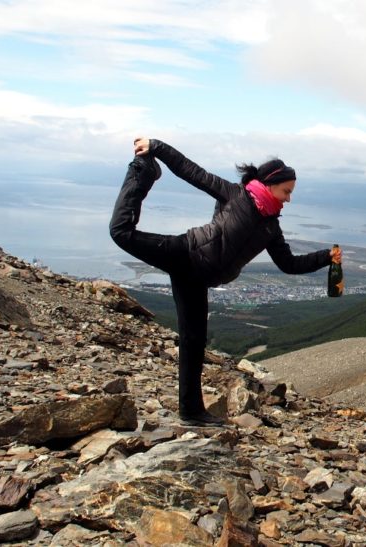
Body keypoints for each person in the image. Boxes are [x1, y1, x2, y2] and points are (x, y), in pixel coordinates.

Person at [109, 137, 341, 425]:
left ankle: (191, 411)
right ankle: (142, 171)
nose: (288, 199)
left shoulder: (271, 227)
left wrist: (326, 257)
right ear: (270, 183)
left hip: (198, 279)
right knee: (121, 233)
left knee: (194, 341)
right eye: (286, 191)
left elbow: (289, 264)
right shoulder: (235, 195)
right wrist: (156, 147)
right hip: (185, 254)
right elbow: (191, 172)